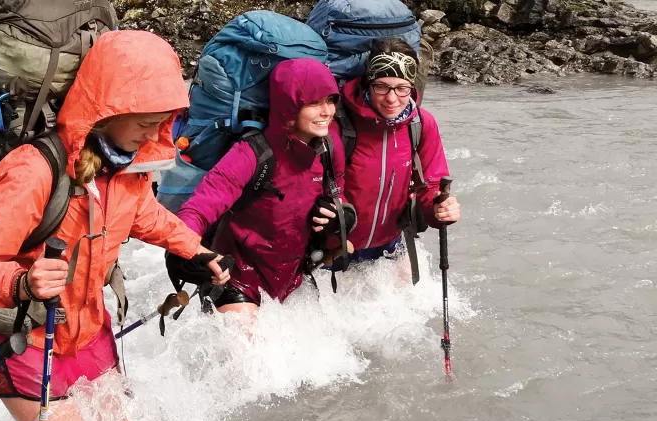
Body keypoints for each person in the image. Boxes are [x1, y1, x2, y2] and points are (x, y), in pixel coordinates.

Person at [0, 30, 228, 421]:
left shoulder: (126, 167)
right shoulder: (34, 171)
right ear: (108, 111)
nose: (154, 133)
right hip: (26, 336)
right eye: (143, 123)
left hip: (88, 327)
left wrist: (194, 250)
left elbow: (145, 215)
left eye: (162, 121)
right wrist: (22, 282)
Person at [174, 58, 355, 314]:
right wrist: (185, 249)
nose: (327, 111)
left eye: (330, 100)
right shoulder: (251, 153)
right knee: (247, 350)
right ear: (290, 105)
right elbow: (200, 207)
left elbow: (338, 194)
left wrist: (342, 217)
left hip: (293, 275)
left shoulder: (329, 146)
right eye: (314, 103)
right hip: (235, 276)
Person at [334, 39, 461, 270]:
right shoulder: (339, 122)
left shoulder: (422, 124)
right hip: (337, 246)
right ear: (368, 83)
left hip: (390, 246)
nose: (392, 99)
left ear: (412, 87)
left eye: (402, 88)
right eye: (381, 86)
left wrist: (440, 207)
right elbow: (325, 185)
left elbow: (430, 182)